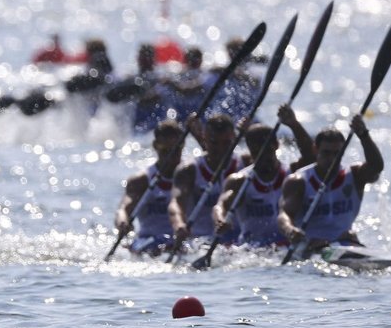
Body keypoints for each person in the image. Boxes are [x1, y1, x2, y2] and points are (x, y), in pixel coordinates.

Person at [211, 105, 316, 247]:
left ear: (277, 145)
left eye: (267, 151)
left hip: (286, 245)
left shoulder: (292, 174)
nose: (263, 158)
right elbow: (221, 205)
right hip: (253, 250)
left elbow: (311, 157)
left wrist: (294, 124)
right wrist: (220, 219)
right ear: (249, 150)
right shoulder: (239, 181)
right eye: (256, 152)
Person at [277, 114, 383, 254]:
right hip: (311, 247)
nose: (332, 159)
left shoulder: (355, 175)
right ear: (315, 150)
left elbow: (376, 166)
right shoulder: (298, 181)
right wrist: (290, 230)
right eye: (326, 153)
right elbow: (284, 215)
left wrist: (363, 135)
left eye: (336, 154)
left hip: (345, 243)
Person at [168, 113, 250, 247]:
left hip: (237, 241)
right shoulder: (188, 170)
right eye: (214, 143)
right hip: (201, 241)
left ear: (234, 139)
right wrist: (179, 225)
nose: (220, 149)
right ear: (204, 139)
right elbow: (176, 204)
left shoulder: (246, 164)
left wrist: (249, 133)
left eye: (226, 143)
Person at [113, 119, 185, 256]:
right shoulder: (141, 180)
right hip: (149, 241)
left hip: (182, 241)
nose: (170, 157)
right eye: (165, 151)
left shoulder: (190, 175)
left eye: (175, 151)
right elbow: (123, 209)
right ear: (155, 146)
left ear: (183, 146)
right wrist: (122, 222)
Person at [105, 43, 171, 133]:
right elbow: (111, 96)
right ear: (138, 59)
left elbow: (159, 95)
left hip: (157, 126)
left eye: (148, 57)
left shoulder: (161, 78)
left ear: (154, 59)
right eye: (143, 57)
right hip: (136, 126)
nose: (145, 60)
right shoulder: (130, 79)